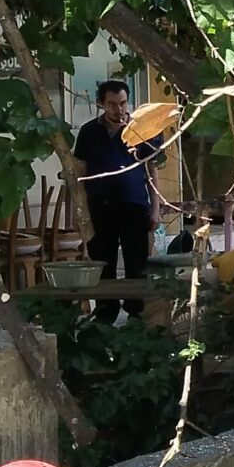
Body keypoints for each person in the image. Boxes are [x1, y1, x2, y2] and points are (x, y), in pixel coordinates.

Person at [73, 79, 158, 321]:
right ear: (101, 104)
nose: (118, 110)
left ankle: (136, 316)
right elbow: (79, 173)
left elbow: (152, 171)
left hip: (134, 206)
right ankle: (105, 316)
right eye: (111, 104)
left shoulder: (141, 130)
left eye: (122, 103)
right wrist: (77, 210)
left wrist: (155, 208)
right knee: (102, 265)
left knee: (137, 264)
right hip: (99, 207)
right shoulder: (89, 132)